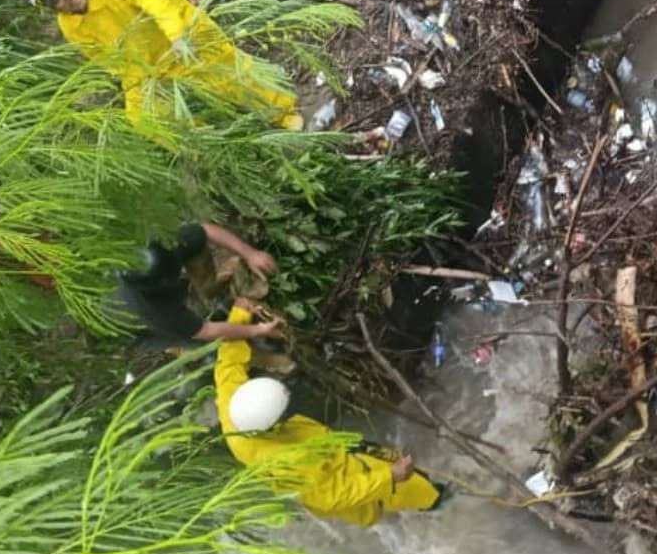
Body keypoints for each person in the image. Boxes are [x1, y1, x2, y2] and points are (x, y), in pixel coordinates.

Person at [214, 301, 444, 526]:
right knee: (416, 490)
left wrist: (241, 312)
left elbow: (228, 362)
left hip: (334, 449)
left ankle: (424, 494)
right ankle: (436, 502)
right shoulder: (286, 463)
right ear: (274, 422)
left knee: (403, 471)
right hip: (349, 480)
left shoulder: (233, 405)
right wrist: (389, 476)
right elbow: (333, 496)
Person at [14, 0, 303, 130]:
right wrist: (144, 78)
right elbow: (107, 60)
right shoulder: (71, 27)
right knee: (141, 118)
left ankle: (284, 111)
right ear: (51, 8)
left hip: (182, 29)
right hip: (154, 64)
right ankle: (210, 140)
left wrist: (177, 36)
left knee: (226, 72)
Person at [114, 222, 284, 344]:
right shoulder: (153, 310)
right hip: (141, 321)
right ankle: (201, 307)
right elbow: (206, 332)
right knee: (191, 341)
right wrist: (258, 330)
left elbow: (205, 231)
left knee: (197, 256)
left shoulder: (162, 244)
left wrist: (250, 253)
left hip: (161, 274)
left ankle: (209, 291)